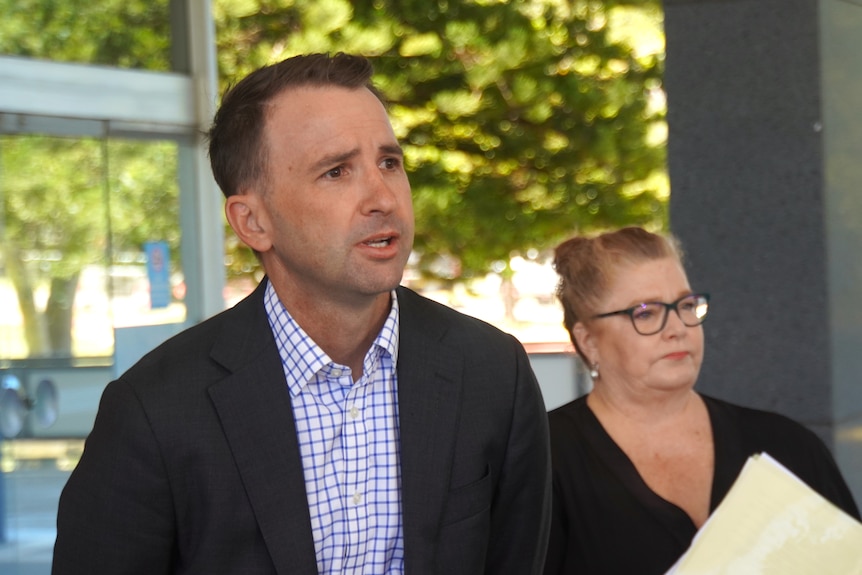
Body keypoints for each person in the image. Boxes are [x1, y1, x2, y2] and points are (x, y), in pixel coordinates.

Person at [52, 52, 551, 575]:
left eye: (389, 162)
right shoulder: (155, 412)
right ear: (253, 222)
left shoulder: (492, 373)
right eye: (336, 171)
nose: (382, 197)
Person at [543, 226, 859, 575]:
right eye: (645, 312)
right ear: (588, 341)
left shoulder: (786, 446)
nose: (677, 326)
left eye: (686, 305)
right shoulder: (544, 461)